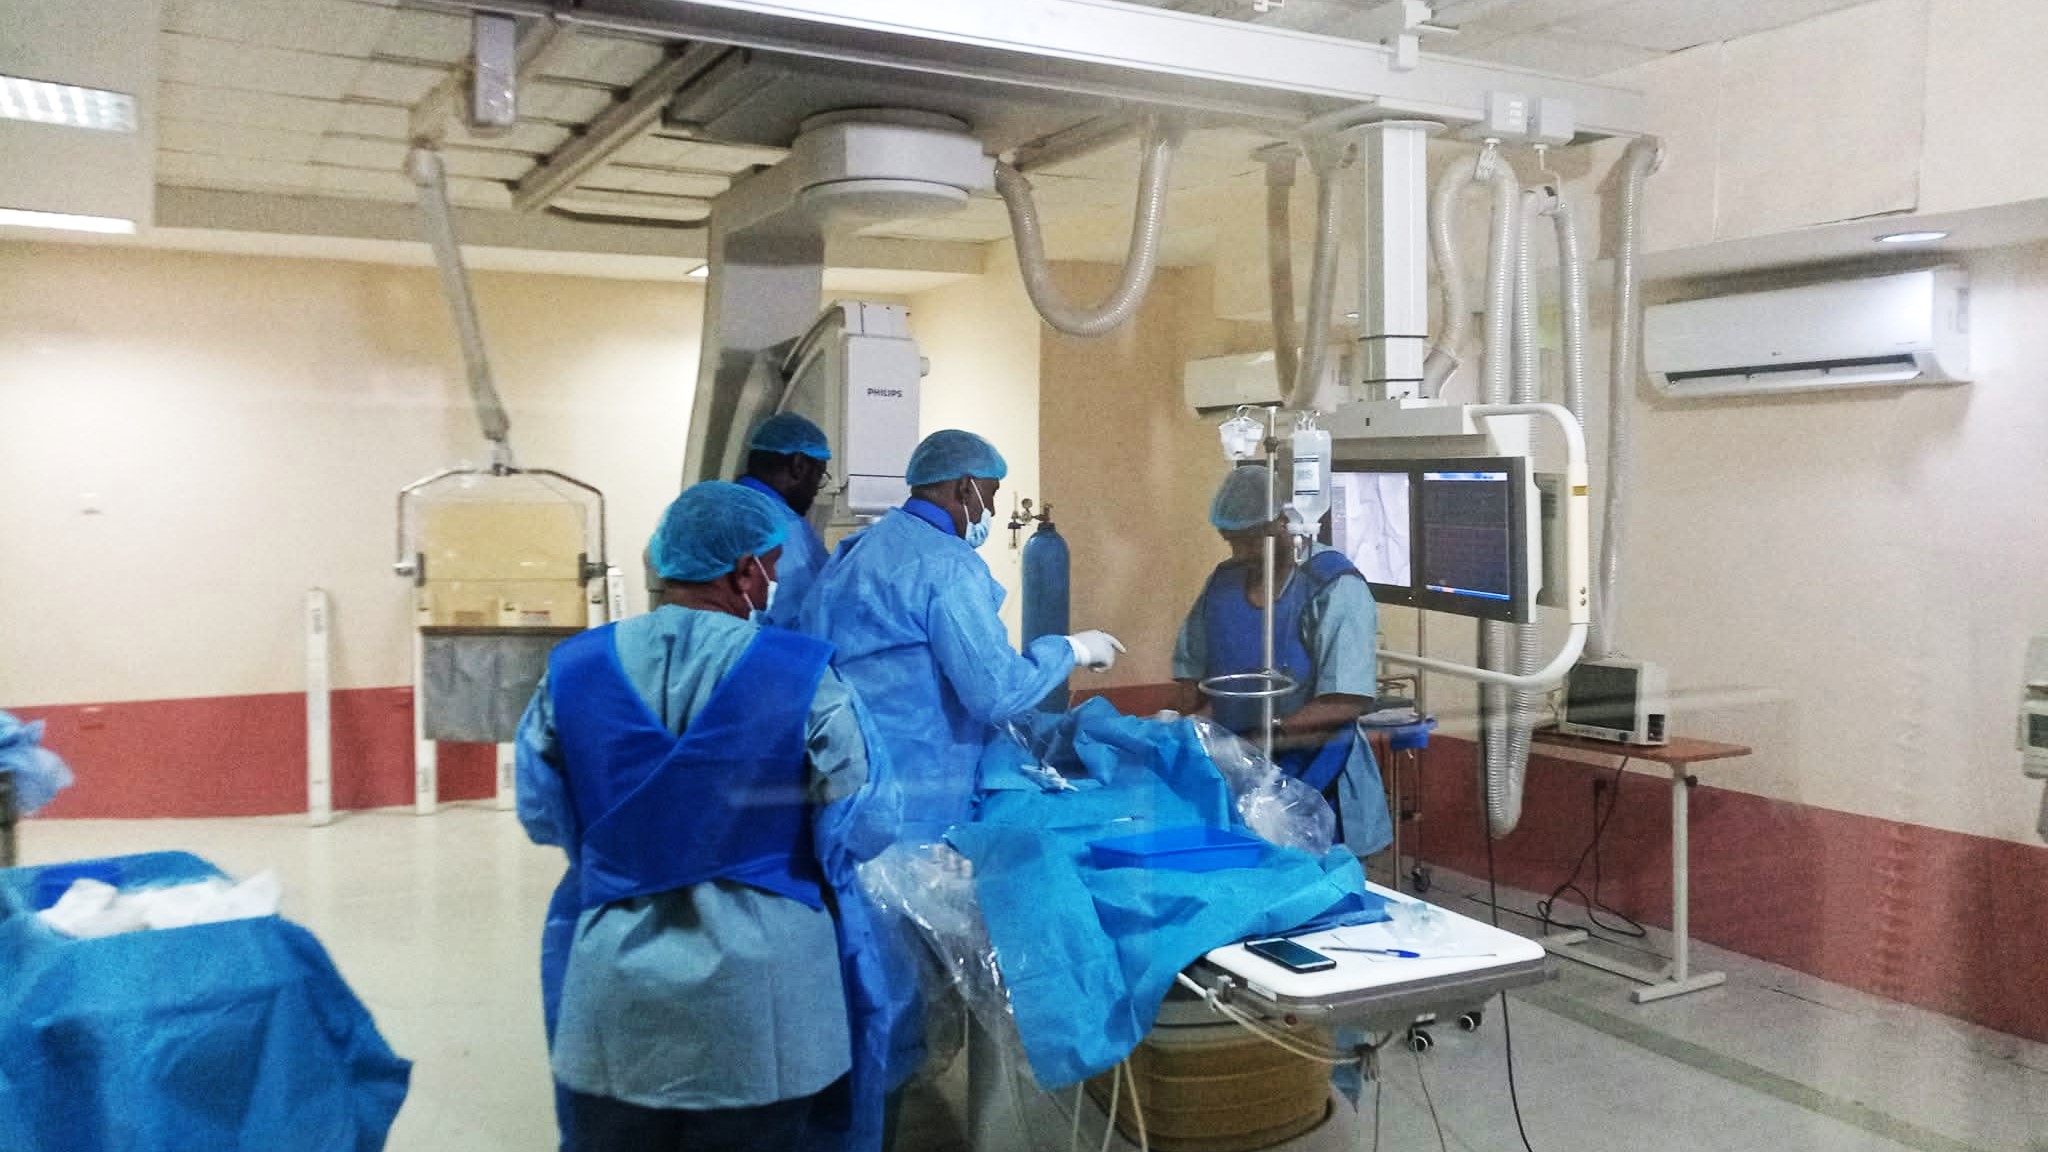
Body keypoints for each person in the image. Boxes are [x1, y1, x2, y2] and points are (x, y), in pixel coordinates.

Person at [517, 481, 902, 1152]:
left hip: (616, 992)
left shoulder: (574, 670)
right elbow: (865, 822)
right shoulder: (802, 676)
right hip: (761, 1009)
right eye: (774, 566)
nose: (778, 582)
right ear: (745, 571)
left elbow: (540, 811)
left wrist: (633, 850)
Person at [798, 429, 1125, 839]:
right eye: (991, 493)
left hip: (843, 775)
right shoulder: (947, 565)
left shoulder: (860, 548)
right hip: (914, 792)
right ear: (965, 488)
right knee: (916, 879)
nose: (992, 508)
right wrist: (1073, 649)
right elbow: (996, 692)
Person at [1171, 465, 1393, 857]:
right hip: (1239, 778)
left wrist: (1261, 737)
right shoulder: (1223, 583)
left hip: (1319, 775)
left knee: (1320, 882)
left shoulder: (1332, 586)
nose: (1240, 553)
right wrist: (1190, 734)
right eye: (1231, 541)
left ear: (1285, 523)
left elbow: (1346, 699)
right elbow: (1192, 671)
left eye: (1250, 541)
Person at [737, 412, 834, 628]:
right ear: (798, 465)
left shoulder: (713, 507)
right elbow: (808, 620)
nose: (815, 491)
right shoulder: (785, 531)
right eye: (819, 475)